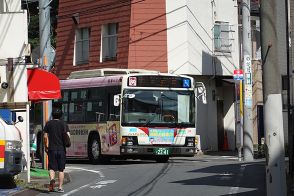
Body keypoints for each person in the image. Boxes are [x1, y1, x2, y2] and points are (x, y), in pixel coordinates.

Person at [43, 108, 70, 193]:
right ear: (61, 115)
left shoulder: (48, 124)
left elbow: (45, 136)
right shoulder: (64, 124)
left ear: (52, 115)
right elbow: (68, 135)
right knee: (61, 169)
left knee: (51, 168)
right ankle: (60, 187)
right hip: (61, 149)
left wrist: (45, 146)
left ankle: (52, 180)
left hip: (52, 148)